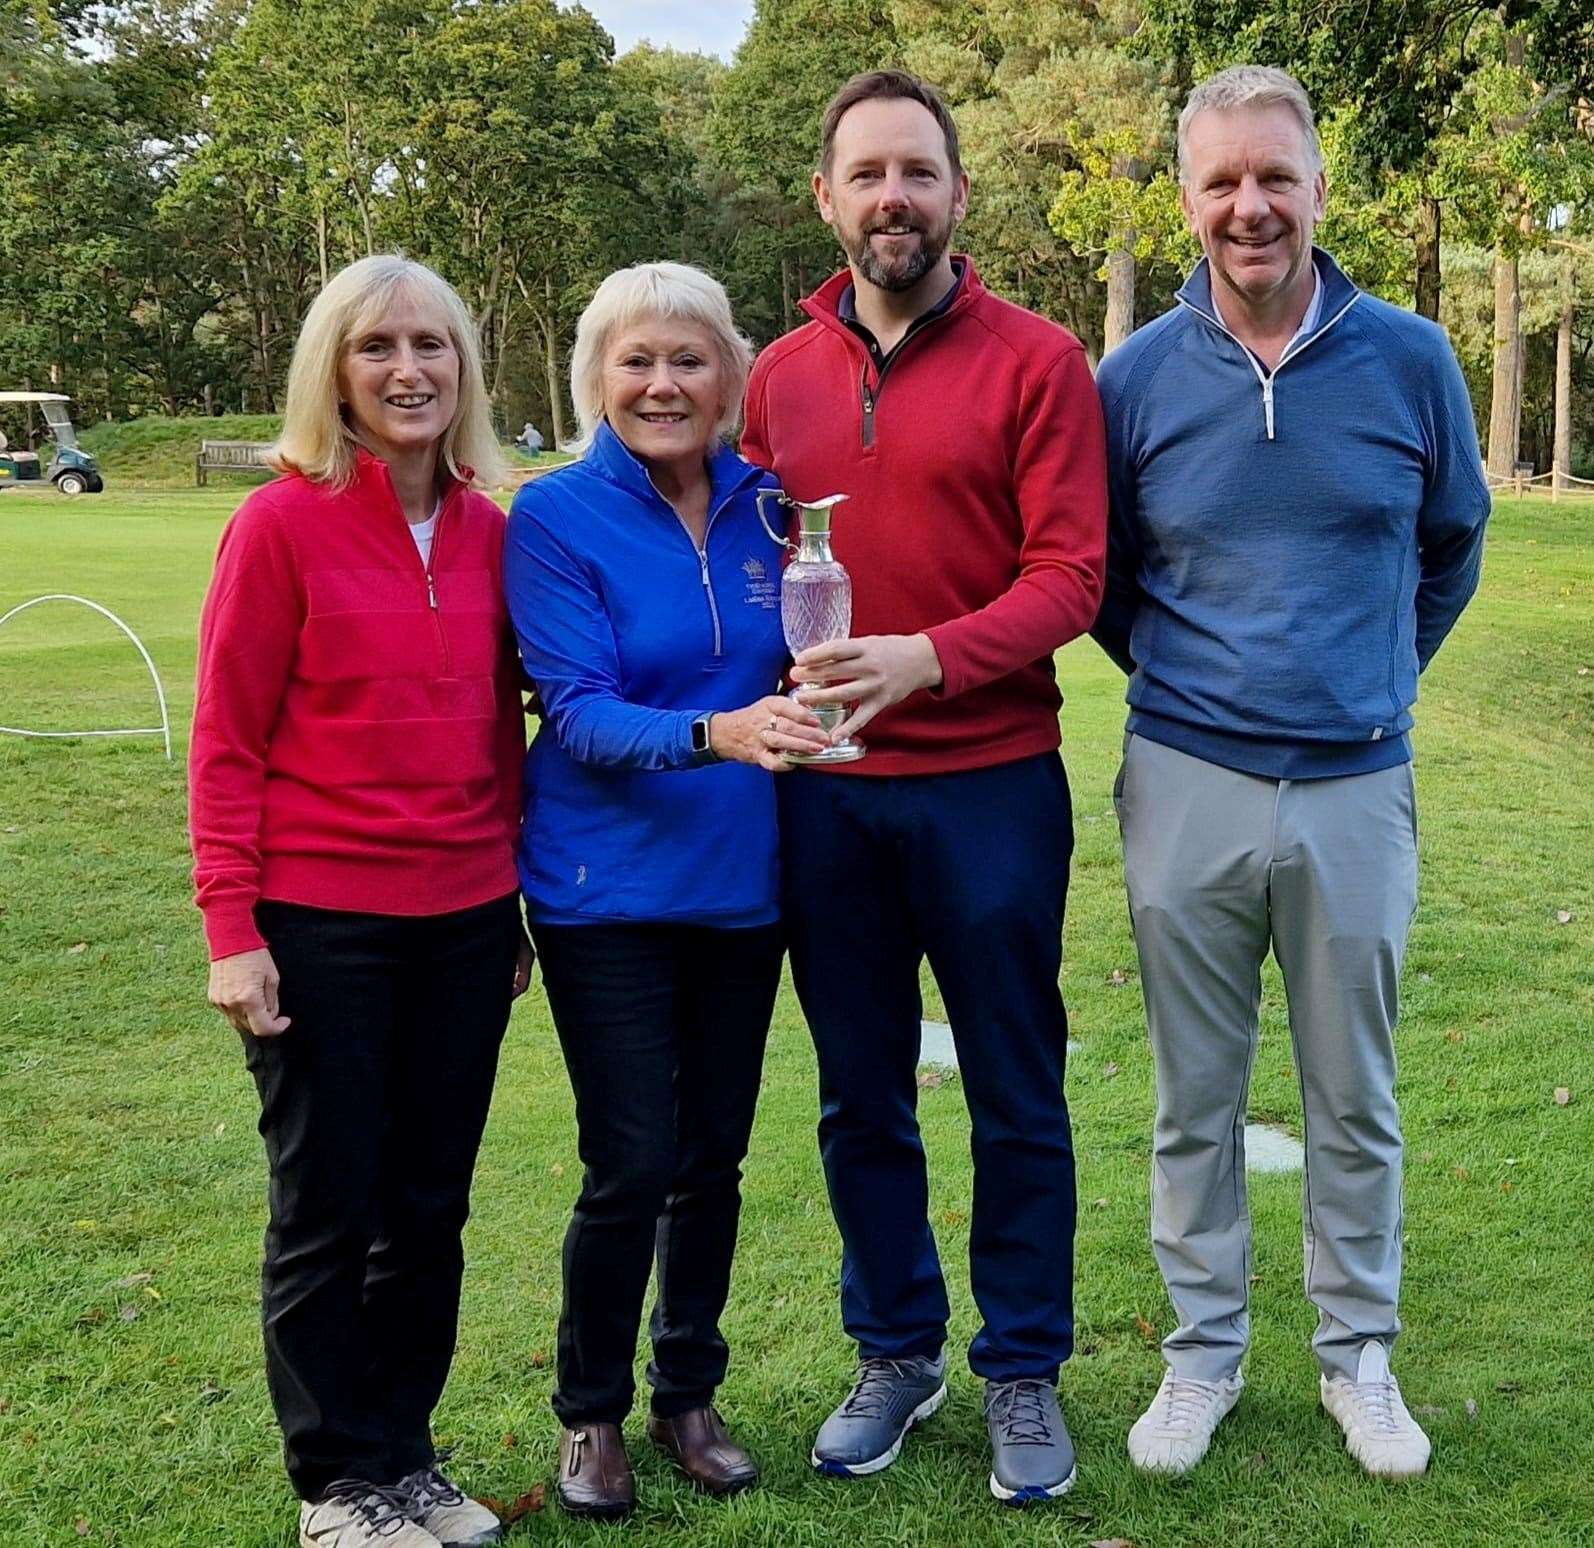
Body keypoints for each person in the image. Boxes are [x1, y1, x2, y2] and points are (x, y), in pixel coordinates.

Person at [1093, 65, 1490, 1481]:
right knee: (1193, 1097)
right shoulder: (1130, 380)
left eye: (1274, 176)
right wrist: (1199, 688)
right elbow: (1104, 582)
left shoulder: (1411, 361)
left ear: (1320, 188)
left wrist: (1373, 680)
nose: (1247, 206)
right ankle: (1199, 1357)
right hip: (1186, 774)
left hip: (1354, 786)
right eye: (1219, 182)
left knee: (1353, 1094)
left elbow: (1448, 544)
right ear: (1188, 198)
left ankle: (1354, 1357)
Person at [740, 71, 1107, 1505]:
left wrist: (927, 662)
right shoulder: (773, 375)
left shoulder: (1039, 360)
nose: (893, 197)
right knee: (858, 1092)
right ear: (827, 199)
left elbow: (1072, 576)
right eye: (866, 175)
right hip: (825, 799)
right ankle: (896, 1350)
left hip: (992, 786)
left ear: (958, 193)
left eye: (917, 172)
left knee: (1015, 1086)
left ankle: (1022, 1367)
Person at [190, 254, 530, 1548]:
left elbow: (504, 736)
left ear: (464, 368)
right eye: (378, 346)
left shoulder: (497, 532)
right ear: (333, 369)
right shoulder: (277, 526)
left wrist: (503, 909)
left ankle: (404, 1458)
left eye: (432, 346)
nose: (408, 370)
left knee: (429, 1208)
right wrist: (233, 932)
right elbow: (225, 740)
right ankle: (336, 1483)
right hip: (318, 923)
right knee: (328, 1206)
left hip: (460, 920)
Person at [503, 261, 828, 1520]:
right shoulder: (555, 514)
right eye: (635, 362)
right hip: (605, 891)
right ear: (595, 379)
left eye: (688, 360)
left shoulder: (773, 510)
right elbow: (578, 713)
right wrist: (721, 735)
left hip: (741, 886)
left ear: (729, 379)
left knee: (714, 1158)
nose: (661, 384)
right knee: (629, 1158)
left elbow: (804, 653)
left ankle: (687, 1392)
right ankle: (590, 1414)